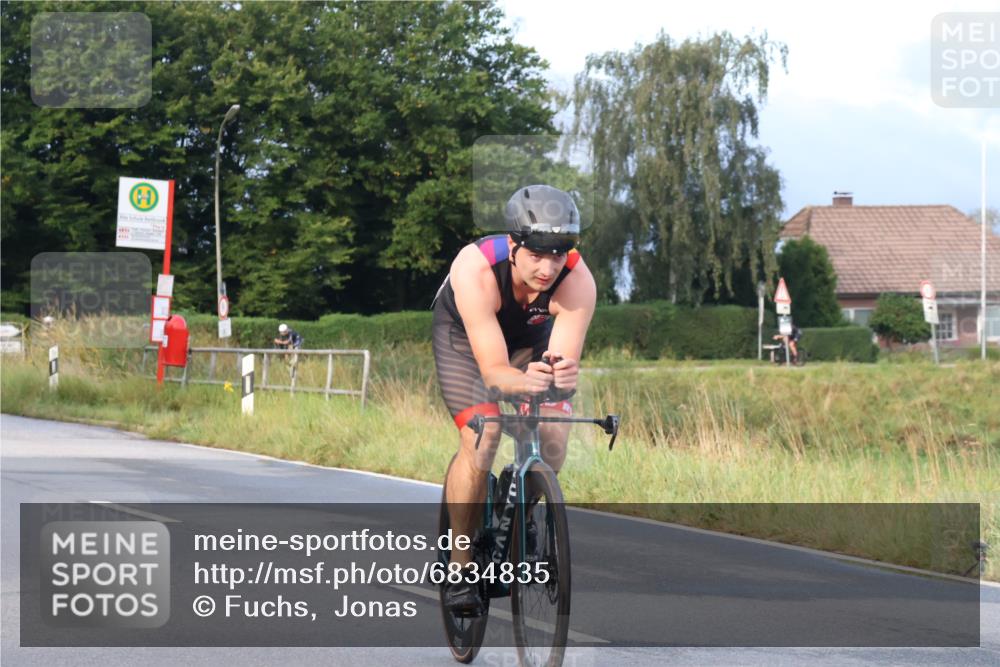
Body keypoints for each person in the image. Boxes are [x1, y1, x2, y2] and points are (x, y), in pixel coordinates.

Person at [431, 184, 597, 614]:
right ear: (513, 245)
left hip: (528, 339)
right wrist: (521, 383)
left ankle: (520, 506)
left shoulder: (577, 281)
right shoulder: (476, 269)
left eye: (558, 254)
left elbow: (561, 366)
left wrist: (562, 375)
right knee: (483, 437)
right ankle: (462, 568)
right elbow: (494, 374)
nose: (548, 267)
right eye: (537, 254)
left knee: (555, 435)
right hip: (466, 342)